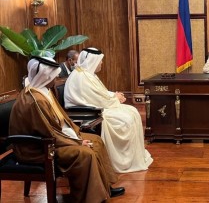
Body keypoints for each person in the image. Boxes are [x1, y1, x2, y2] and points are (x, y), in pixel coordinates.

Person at [9, 56, 125, 203]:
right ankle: (92, 198)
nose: (56, 77)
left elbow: (60, 121)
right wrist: (76, 142)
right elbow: (48, 132)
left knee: (96, 140)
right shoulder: (35, 100)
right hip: (37, 148)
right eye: (53, 75)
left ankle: (104, 189)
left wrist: (76, 137)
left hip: (52, 139)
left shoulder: (43, 91)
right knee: (85, 154)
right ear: (45, 76)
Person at [64, 47, 153, 173]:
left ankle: (134, 156)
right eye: (100, 60)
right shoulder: (81, 77)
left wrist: (114, 95)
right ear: (93, 61)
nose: (101, 63)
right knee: (125, 120)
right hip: (88, 114)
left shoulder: (87, 74)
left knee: (132, 111)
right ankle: (123, 160)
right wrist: (115, 98)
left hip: (96, 108)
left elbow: (100, 93)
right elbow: (96, 100)